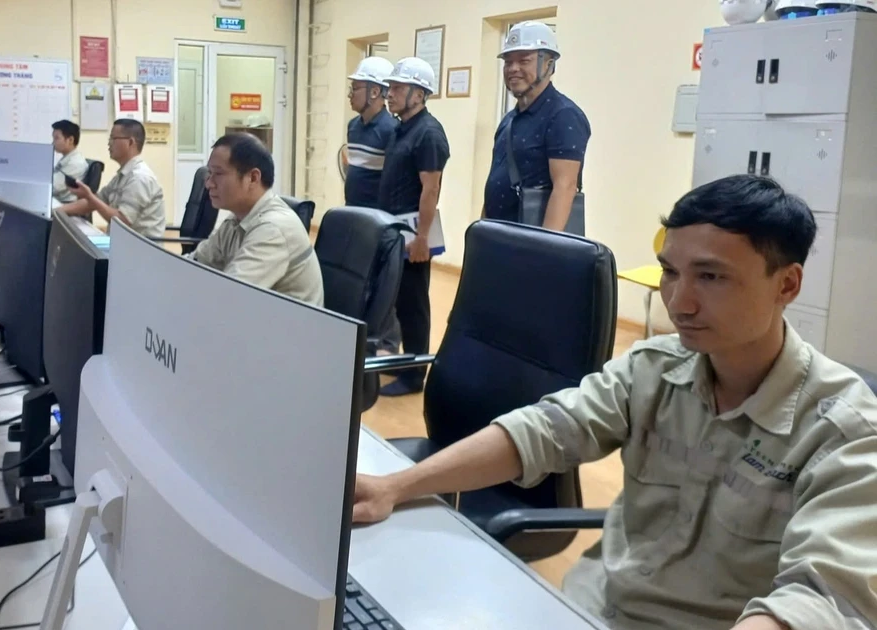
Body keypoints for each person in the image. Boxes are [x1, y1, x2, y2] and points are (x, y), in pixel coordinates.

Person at [352, 174, 877, 630]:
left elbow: (818, 595)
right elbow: (547, 429)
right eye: (672, 273)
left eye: (711, 277)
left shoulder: (843, 428)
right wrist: (395, 487)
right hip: (591, 608)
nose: (680, 302)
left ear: (787, 284)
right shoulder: (656, 366)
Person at [376, 57, 449, 397]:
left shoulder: (429, 133)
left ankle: (415, 374)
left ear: (419, 94)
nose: (390, 94)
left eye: (398, 88)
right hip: (394, 227)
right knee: (399, 300)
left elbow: (430, 189)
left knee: (413, 302)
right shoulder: (402, 128)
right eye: (390, 87)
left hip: (413, 230)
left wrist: (422, 237)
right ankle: (406, 362)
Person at [190, 133, 324, 307]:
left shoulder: (273, 230)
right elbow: (197, 262)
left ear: (252, 178)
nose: (209, 183)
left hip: (287, 331)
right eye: (210, 173)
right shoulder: (236, 220)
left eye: (218, 174)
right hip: (258, 322)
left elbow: (228, 296)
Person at [483, 21, 590, 232]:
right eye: (508, 62)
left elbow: (565, 187)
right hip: (499, 236)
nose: (513, 69)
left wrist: (543, 250)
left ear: (549, 64)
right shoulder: (510, 120)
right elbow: (496, 179)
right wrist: (483, 231)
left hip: (532, 243)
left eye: (524, 61)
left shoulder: (563, 115)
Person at [64, 119, 166, 239]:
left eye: (113, 138)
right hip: (123, 245)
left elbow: (122, 221)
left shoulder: (140, 178)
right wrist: (57, 211)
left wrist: (90, 197)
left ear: (130, 142)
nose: (109, 143)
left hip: (140, 252)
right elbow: (96, 201)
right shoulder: (123, 175)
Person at [344, 56, 398, 209]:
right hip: (352, 209)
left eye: (355, 89)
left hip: (376, 215)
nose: (350, 95)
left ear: (374, 92)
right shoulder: (353, 126)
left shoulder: (392, 130)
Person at [51, 119, 89, 214]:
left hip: (65, 205)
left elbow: (54, 187)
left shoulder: (75, 163)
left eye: (56, 138)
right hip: (58, 201)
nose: (53, 143)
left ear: (70, 140)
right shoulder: (67, 159)